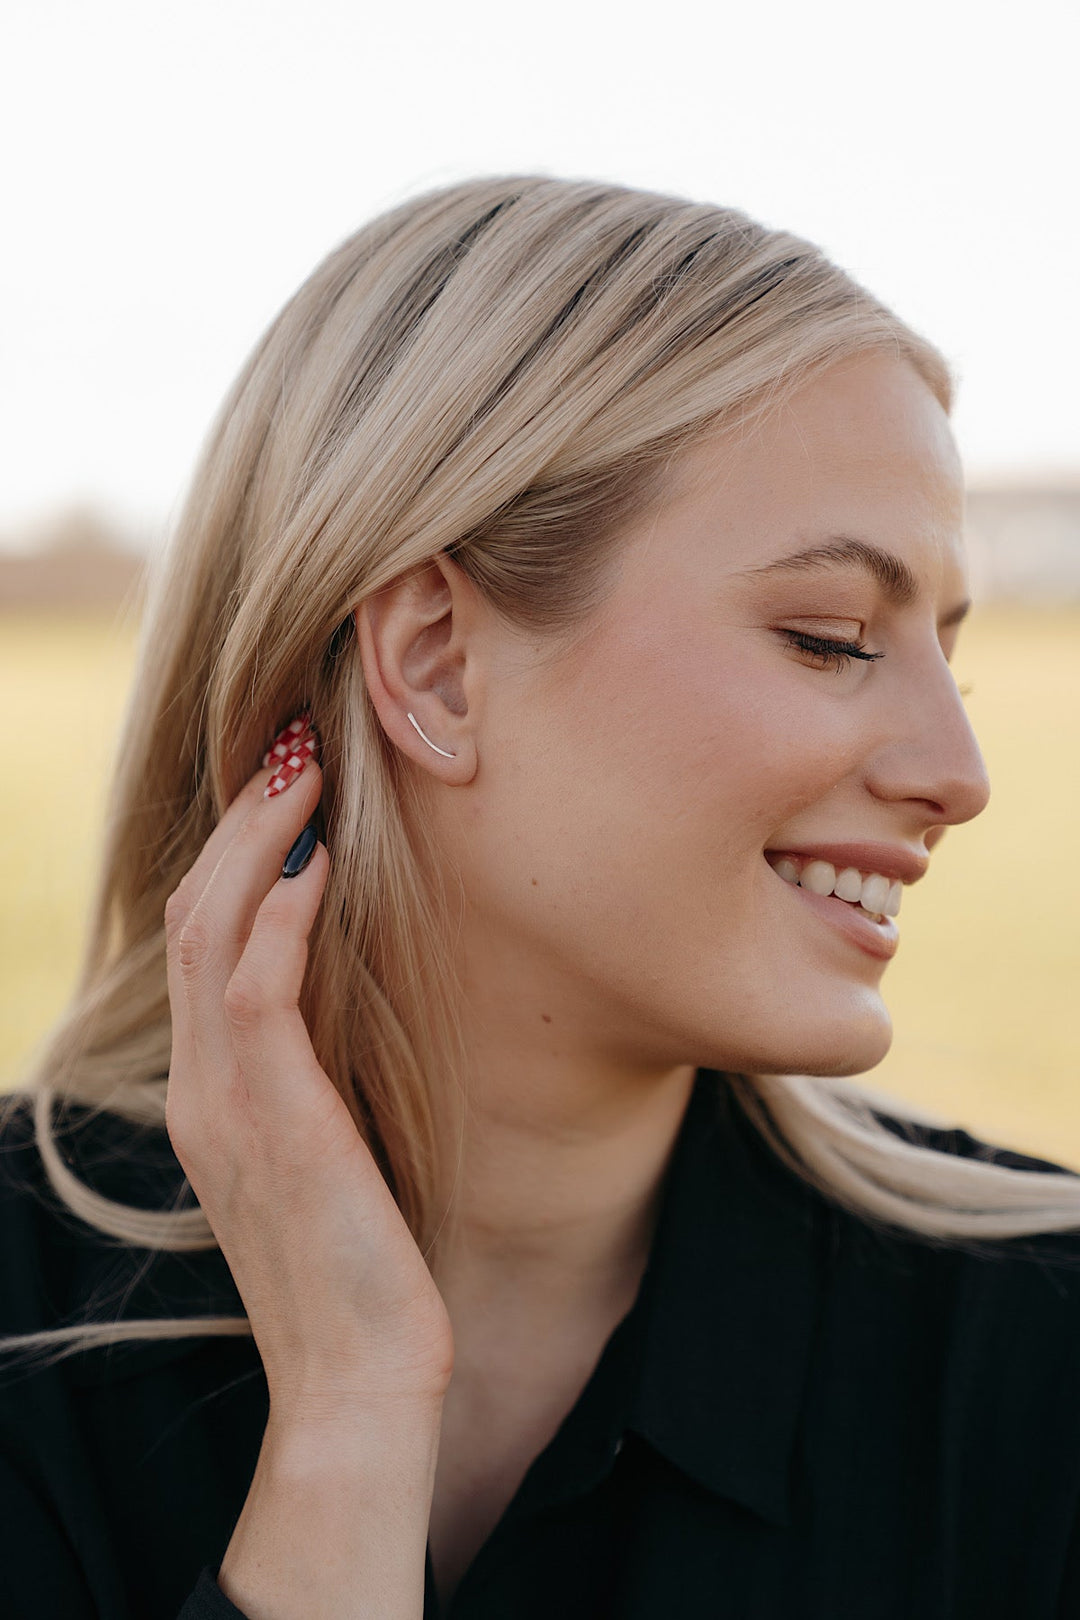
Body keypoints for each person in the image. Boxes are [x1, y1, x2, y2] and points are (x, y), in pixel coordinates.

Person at [2, 174, 1079, 1620]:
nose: (960, 772)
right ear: (438, 662)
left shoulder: (1040, 1362)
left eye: (946, 651)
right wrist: (349, 1418)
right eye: (830, 638)